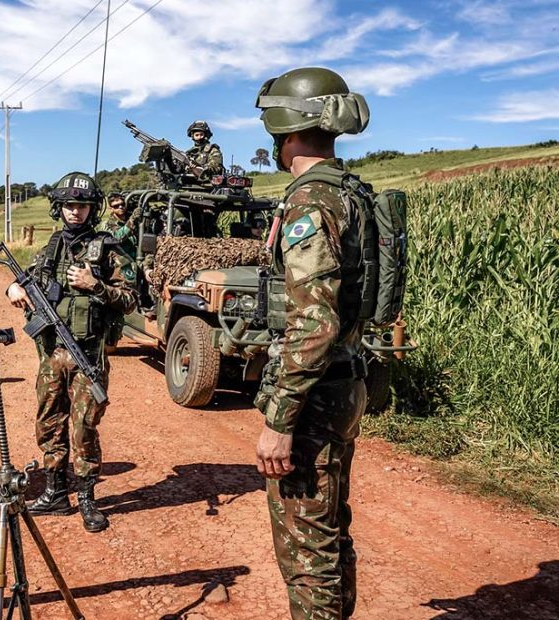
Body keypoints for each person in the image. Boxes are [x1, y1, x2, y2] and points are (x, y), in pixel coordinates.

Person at [252, 67, 372, 618]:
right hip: (346, 380)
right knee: (328, 534)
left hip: (315, 396)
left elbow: (313, 320)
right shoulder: (352, 193)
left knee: (306, 550)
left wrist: (280, 419)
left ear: (288, 128)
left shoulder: (310, 202)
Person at [6, 172, 137, 533]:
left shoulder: (108, 248)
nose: (74, 212)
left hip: (87, 354)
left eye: (81, 206)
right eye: (68, 206)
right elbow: (23, 279)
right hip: (51, 353)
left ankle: (88, 499)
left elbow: (131, 299)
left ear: (92, 209)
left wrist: (96, 286)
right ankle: (55, 493)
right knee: (49, 421)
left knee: (84, 428)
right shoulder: (50, 248)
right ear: (58, 209)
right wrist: (12, 288)